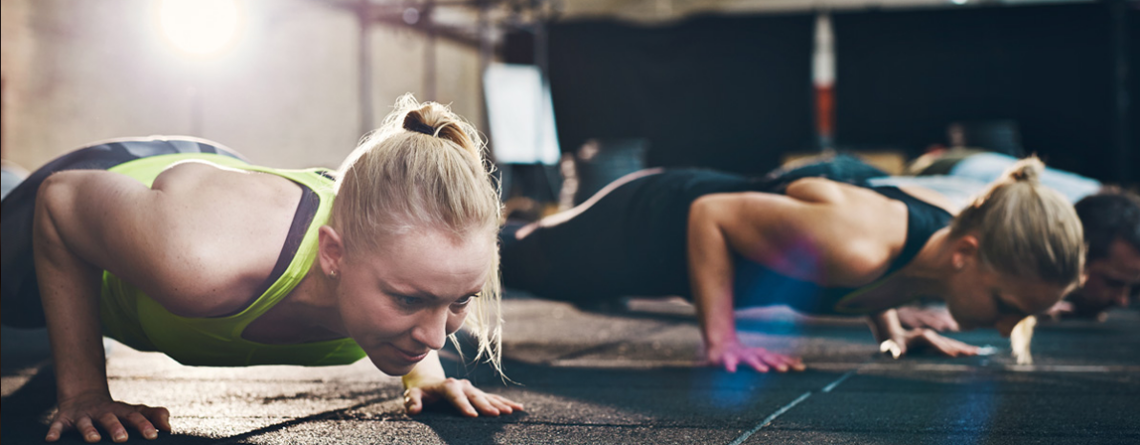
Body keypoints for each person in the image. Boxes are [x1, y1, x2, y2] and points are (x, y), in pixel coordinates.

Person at [1, 95, 522, 443]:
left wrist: (424, 375)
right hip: (119, 183)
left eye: (459, 301)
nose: (435, 338)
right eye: (408, 300)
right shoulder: (199, 261)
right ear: (333, 256)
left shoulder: (391, 270)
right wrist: (84, 390)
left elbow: (426, 290)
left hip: (224, 188)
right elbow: (60, 199)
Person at [501, 157, 1084, 373]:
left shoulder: (941, 245)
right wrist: (721, 339)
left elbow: (889, 278)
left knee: (514, 257)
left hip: (669, 254)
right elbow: (710, 214)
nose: (1008, 328)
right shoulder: (859, 244)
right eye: (1009, 307)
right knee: (509, 259)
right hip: (649, 224)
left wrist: (896, 334)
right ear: (966, 257)